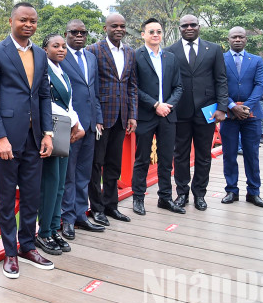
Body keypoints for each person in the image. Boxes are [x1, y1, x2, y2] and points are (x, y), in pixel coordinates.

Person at [0, 2, 55, 278]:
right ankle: (10, 253)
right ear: (10, 21)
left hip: (35, 137)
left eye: (33, 21)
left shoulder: (40, 54)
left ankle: (27, 246)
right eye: (23, 20)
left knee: (32, 196)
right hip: (7, 140)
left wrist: (47, 132)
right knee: (5, 198)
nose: (28, 24)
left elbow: (44, 96)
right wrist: (0, 136)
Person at [165, 15, 228, 211]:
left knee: (203, 155)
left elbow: (221, 79)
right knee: (180, 154)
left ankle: (200, 194)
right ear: (180, 28)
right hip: (180, 110)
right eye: (185, 25)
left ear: (199, 27)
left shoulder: (214, 49)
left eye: (193, 25)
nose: (189, 28)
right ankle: (182, 193)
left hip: (207, 110)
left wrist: (222, 107)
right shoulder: (170, 51)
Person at [85, 13, 138, 226]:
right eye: (114, 25)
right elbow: (91, 86)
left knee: (114, 164)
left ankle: (111, 206)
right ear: (105, 28)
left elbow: (132, 85)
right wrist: (95, 116)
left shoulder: (130, 52)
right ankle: (96, 208)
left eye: (122, 26)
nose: (119, 29)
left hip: (121, 116)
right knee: (96, 164)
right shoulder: (93, 50)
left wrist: (133, 114)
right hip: (101, 117)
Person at [35, 33, 85, 255]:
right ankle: (43, 232)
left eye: (63, 46)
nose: (62, 50)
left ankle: (55, 228)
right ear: (45, 49)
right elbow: (45, 103)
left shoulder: (62, 72)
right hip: (51, 130)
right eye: (56, 46)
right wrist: (71, 121)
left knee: (61, 184)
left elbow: (68, 104)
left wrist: (78, 124)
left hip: (64, 128)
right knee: (50, 183)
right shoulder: (42, 70)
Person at [131, 18, 184, 216]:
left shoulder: (170, 57)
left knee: (166, 158)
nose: (155, 35)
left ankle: (165, 198)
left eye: (159, 31)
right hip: (146, 115)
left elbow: (179, 86)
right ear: (143, 34)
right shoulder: (135, 56)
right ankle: (138, 197)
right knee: (142, 158)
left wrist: (168, 105)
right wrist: (155, 105)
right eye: (151, 31)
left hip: (168, 115)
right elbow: (133, 87)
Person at [60, 19, 106, 238]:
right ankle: (66, 219)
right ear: (67, 33)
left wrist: (98, 119)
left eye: (83, 32)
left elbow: (94, 92)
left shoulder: (90, 57)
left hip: (89, 125)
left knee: (84, 174)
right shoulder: (59, 55)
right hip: (69, 126)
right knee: (68, 174)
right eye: (74, 32)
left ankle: (80, 215)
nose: (79, 35)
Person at [220, 27, 263, 208]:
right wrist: (232, 106)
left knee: (252, 154)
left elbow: (259, 84)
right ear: (229, 39)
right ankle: (231, 190)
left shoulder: (256, 60)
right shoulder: (221, 59)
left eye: (241, 37)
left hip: (252, 114)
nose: (237, 39)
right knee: (229, 154)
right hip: (229, 114)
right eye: (234, 37)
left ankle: (254, 192)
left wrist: (246, 106)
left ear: (246, 39)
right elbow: (220, 85)